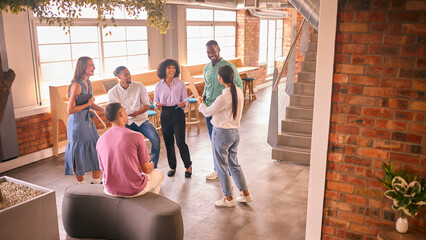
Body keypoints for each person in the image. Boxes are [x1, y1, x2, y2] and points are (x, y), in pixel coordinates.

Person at [198, 65, 252, 207]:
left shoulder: (223, 98)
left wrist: (200, 104)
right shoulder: (239, 91)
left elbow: (207, 112)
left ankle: (228, 199)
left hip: (221, 133)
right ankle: (245, 194)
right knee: (234, 164)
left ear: (221, 79)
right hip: (235, 133)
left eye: (218, 76)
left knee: (221, 166)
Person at [96, 102, 164, 197]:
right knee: (159, 174)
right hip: (133, 190)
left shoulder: (100, 139)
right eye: (124, 109)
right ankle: (149, 205)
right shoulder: (136, 136)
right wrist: (151, 165)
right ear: (121, 114)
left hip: (109, 190)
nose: (126, 112)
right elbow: (146, 169)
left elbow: (104, 170)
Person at [203, 40, 243, 180]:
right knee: (213, 141)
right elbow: (207, 86)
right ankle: (218, 169)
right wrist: (204, 96)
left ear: (218, 49)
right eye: (208, 52)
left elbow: (238, 87)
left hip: (222, 112)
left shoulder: (229, 67)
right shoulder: (206, 68)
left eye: (213, 51)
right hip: (209, 109)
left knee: (224, 144)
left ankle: (227, 172)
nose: (211, 54)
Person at [108, 66, 161, 168]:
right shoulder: (112, 92)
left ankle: (153, 167)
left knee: (155, 139)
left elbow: (146, 105)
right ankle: (132, 168)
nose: (129, 76)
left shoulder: (139, 86)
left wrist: (137, 113)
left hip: (142, 120)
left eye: (129, 73)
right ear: (119, 76)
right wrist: (125, 116)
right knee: (124, 146)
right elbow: (114, 111)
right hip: (125, 123)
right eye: (125, 74)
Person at [64, 56, 104, 184]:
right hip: (77, 124)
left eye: (93, 64)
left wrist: (104, 110)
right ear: (82, 67)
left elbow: (90, 103)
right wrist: (88, 104)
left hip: (87, 122)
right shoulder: (76, 85)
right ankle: (81, 185)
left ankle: (96, 181)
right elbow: (70, 110)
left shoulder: (88, 82)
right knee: (79, 153)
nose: (94, 67)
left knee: (95, 148)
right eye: (90, 65)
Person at [154, 59, 192, 178]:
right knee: (168, 142)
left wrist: (183, 104)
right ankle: (172, 166)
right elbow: (155, 101)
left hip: (178, 113)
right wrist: (157, 104)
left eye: (174, 68)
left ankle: (188, 166)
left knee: (181, 142)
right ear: (163, 70)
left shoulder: (180, 83)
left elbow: (185, 100)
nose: (172, 70)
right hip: (165, 113)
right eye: (169, 68)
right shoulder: (158, 85)